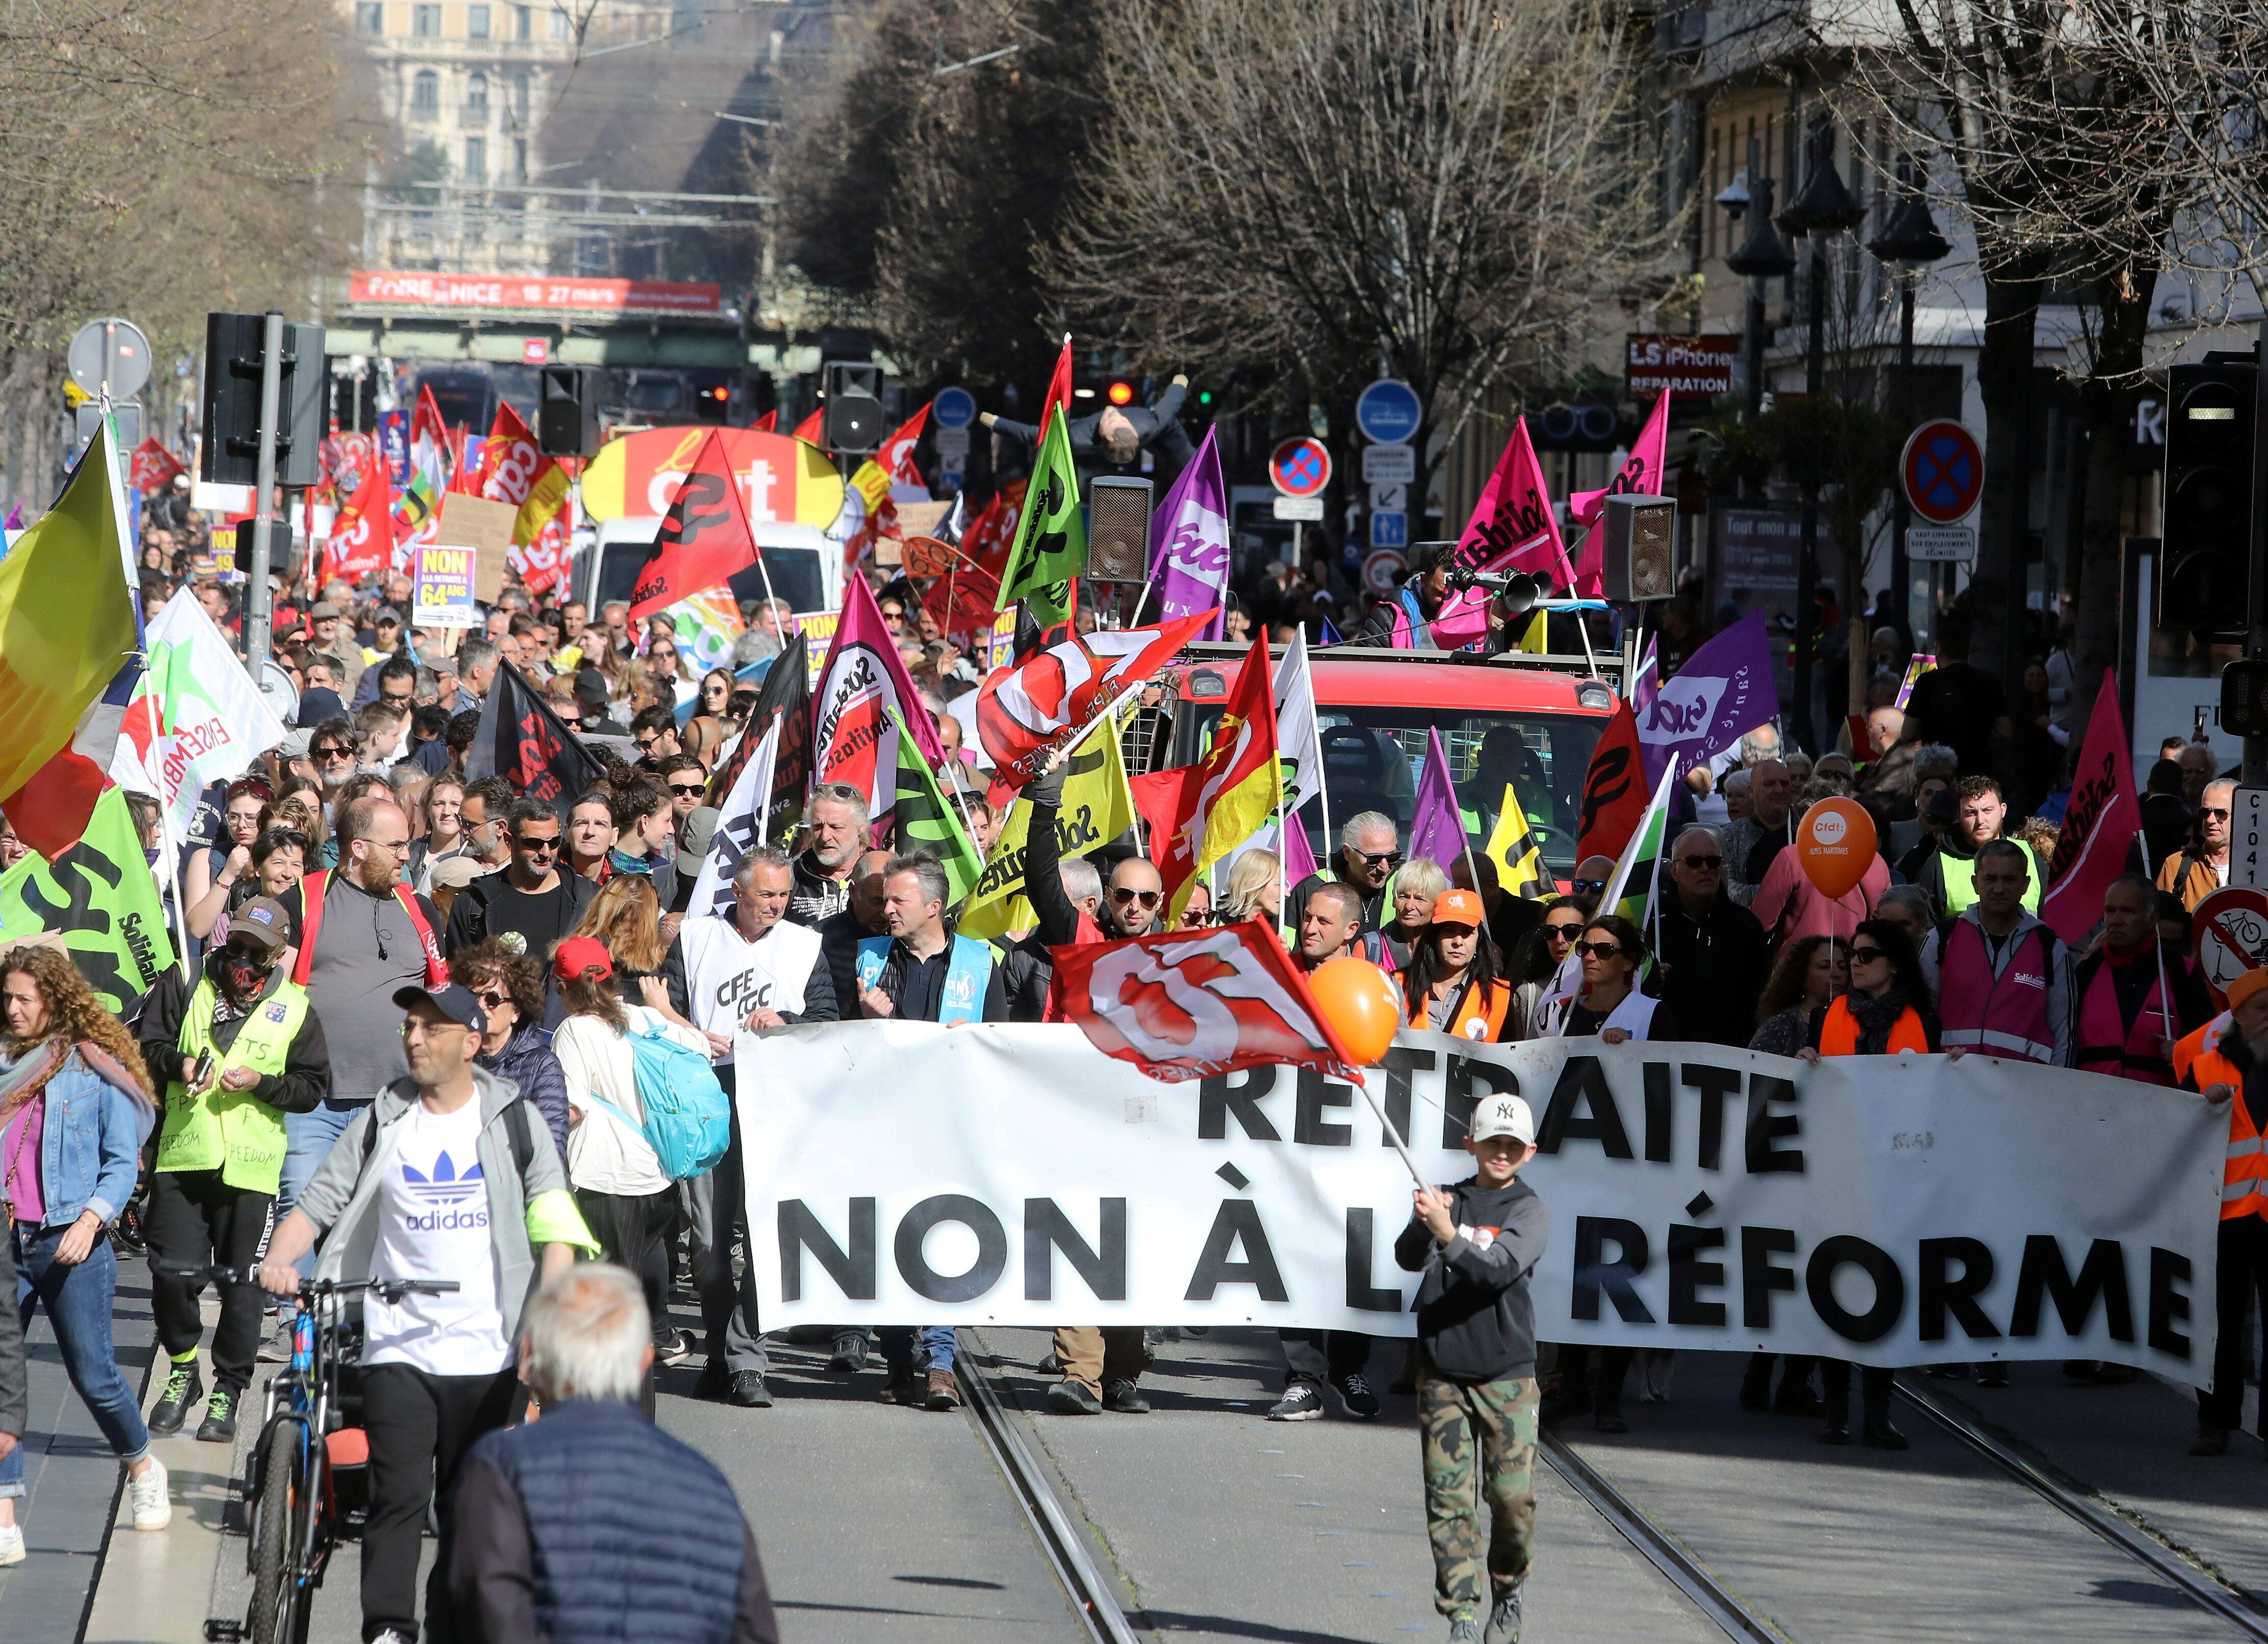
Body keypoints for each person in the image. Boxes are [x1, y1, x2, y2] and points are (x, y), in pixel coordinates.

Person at [254, 981, 591, 1644]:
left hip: (490, 1349)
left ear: (471, 1041)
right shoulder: (384, 1115)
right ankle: (387, 1628)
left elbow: (555, 1221)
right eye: (409, 1026)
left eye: (431, 1028)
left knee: (468, 1509)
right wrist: (280, 1259)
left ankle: (447, 1626)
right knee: (397, 1494)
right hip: (398, 1341)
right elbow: (319, 1201)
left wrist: (543, 1322)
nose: (413, 1038)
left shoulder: (512, 1118)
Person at [446, 1264, 780, 1644]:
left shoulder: (500, 1470)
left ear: (528, 1356)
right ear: (644, 1360)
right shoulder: (709, 1486)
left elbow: (480, 1610)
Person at [136, 899, 330, 1444]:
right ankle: (182, 1370)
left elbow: (312, 1086)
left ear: (277, 956)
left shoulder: (295, 1007)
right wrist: (182, 1065)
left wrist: (262, 1084)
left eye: (257, 953)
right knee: (171, 1273)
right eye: (237, 946)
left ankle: (229, 1387)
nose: (243, 960)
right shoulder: (186, 980)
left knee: (244, 1286)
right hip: (185, 1155)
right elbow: (146, 1047)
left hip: (252, 1169)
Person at [0, 946, 171, 1554]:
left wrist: (92, 1219)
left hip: (70, 1236)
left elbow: (124, 1163)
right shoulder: (2, 1064)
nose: (13, 1008)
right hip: (7, 1240)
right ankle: (4, 1520)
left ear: (54, 1000)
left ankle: (143, 1467)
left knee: (94, 1375)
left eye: (25, 998)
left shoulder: (90, 1066)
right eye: (8, 997)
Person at [662, 848, 838, 1407]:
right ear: (737, 892)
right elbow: (662, 1012)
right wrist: (694, 1034)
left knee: (765, 1235)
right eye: (767, 895)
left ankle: (745, 1357)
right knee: (710, 1242)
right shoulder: (695, 940)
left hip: (775, 1103)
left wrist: (785, 1020)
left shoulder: (804, 945)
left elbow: (827, 1019)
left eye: (784, 895)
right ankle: (720, 1352)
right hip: (707, 1096)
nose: (778, 905)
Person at [853, 857, 1007, 1409]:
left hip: (949, 1125)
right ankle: (897, 1362)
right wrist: (864, 1019)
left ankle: (940, 1362)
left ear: (934, 907)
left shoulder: (980, 963)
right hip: (886, 1122)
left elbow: (1002, 1044)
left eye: (898, 901)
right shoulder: (868, 958)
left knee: (942, 1238)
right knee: (889, 1238)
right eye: (885, 900)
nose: (886, 909)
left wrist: (979, 1039)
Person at [1397, 1092, 1547, 1644]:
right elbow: (1407, 1258)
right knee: (1448, 1498)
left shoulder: (1528, 1211)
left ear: (1528, 1152)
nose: (1500, 1153)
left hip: (1506, 1375)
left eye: (1511, 1145)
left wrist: (1445, 1231)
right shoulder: (1450, 1200)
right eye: (1491, 1144)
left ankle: (1508, 1588)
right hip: (1442, 1372)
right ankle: (1461, 1610)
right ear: (1471, 1145)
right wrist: (1423, 1222)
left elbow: (1496, 1269)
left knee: (1510, 1500)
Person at [272, 798, 448, 1267]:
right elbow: (272, 994)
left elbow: (441, 997)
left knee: (386, 1219)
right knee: (302, 1210)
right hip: (314, 1099)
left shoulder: (422, 910)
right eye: (395, 846)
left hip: (395, 1102)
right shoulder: (303, 900)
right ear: (359, 849)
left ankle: (365, 1330)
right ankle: (300, 1332)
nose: (405, 856)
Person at [1798, 920, 1939, 1447]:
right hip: (1837, 1170)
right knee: (1836, 1285)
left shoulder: (1923, 1020)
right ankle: (1835, 1413)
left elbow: (1939, 1091)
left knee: (1886, 1291)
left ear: (1895, 963)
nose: (1853, 964)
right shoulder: (1827, 1015)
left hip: (1896, 1175)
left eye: (1866, 955)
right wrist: (1804, 1061)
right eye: (1852, 955)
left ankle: (1877, 1414)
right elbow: (1808, 1081)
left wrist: (1955, 1070)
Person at [551, 938, 712, 1371]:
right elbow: (702, 1048)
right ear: (611, 975)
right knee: (651, 1250)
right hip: (659, 1171)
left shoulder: (574, 1031)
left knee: (611, 1283)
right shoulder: (643, 1018)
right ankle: (660, 1338)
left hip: (607, 1176)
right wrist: (665, 1011)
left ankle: (619, 1369)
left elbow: (572, 1109)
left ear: (561, 987)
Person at [2175, 965, 2268, 1457]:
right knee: (2219, 1325)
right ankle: (2215, 1421)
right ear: (2239, 1015)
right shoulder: (2207, 1067)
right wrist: (2198, 1104)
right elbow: (2175, 1134)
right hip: (2225, 1217)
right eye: (2262, 1008)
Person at [1921, 839, 2070, 1068]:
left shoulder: (2050, 947)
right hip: (1955, 1083)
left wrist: (2055, 1091)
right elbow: (1920, 1018)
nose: (1999, 889)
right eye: (1990, 879)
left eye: (2009, 879)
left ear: (2026, 884)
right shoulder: (1942, 939)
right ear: (1975, 883)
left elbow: (2064, 1034)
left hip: (2024, 1089)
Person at [2073, 874, 2212, 1085]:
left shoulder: (2181, 972)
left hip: (2156, 1109)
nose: (2116, 920)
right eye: (2110, 911)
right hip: (2090, 1106)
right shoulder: (2087, 971)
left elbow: (2212, 1048)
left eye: (2128, 911)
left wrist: (2183, 1052)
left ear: (2151, 918)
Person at [1651, 826, 1770, 1046]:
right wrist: (1647, 978)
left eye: (1713, 861)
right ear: (1675, 870)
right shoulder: (1654, 926)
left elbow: (1763, 999)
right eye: (1694, 861)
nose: (1705, 869)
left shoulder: (1746, 926)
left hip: (1730, 1058)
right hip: (1664, 1054)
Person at [452, 940, 570, 1160]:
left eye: (492, 999)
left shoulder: (542, 1066)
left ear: (516, 1010)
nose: (480, 1006)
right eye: (472, 996)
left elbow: (551, 1149)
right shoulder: (452, 1058)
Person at [443, 798, 597, 958]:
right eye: (534, 843)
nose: (545, 853)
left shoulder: (589, 900)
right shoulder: (474, 904)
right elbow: (458, 975)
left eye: (553, 842)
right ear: (510, 841)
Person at [1899, 612, 2010, 779]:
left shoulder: (1927, 682)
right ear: (1968, 650)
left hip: (1937, 771)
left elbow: (1907, 733)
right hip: (1978, 770)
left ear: (1938, 649)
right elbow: (2006, 731)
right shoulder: (1988, 681)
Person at [1914, 776, 2044, 918]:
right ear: (1959, 815)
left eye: (1987, 810)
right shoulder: (1939, 865)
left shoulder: (2029, 856)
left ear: (2003, 810)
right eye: (1971, 813)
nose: (1980, 821)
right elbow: (1924, 927)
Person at [1402, 890, 1514, 1040]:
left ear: (1478, 941)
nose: (1458, 942)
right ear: (1434, 937)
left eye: (1467, 932)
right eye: (1449, 931)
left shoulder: (1501, 997)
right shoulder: (1398, 985)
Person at [814, 850, 896, 1021]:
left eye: (892, 901)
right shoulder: (817, 940)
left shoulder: (906, 943)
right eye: (876, 901)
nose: (885, 912)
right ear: (853, 892)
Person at [1292, 812, 1400, 932]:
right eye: (1373, 859)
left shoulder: (1404, 887)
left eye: (1392, 857)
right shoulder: (1312, 889)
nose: (1384, 868)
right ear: (1348, 853)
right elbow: (1284, 947)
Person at [786, 782, 871, 926]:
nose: (825, 837)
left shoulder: (881, 874)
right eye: (818, 827)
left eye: (836, 827)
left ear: (861, 827)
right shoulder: (791, 874)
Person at [1510, 898, 1589, 1041]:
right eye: (1551, 932)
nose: (1560, 940)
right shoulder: (1528, 995)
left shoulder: (1605, 991)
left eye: (1571, 931)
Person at [1720, 759, 1793, 906]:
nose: (1779, 790)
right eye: (1770, 784)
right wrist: (1780, 894)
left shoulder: (1808, 832)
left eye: (1784, 783)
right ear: (1752, 792)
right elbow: (1727, 887)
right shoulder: (1730, 836)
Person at [2156, 777, 2234, 911]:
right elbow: (2162, 926)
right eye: (2205, 812)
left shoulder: (2260, 871)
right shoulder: (2175, 865)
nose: (2210, 820)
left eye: (2220, 814)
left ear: (2240, 814)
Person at [1384, 859, 1450, 971]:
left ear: (1437, 905)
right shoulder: (1371, 947)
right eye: (1403, 896)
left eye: (1420, 899)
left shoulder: (1449, 947)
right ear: (1394, 901)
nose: (1409, 906)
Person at [566, 789, 617, 884]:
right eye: (582, 823)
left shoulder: (621, 885)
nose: (590, 831)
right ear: (567, 832)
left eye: (600, 824)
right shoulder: (548, 878)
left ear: (614, 836)